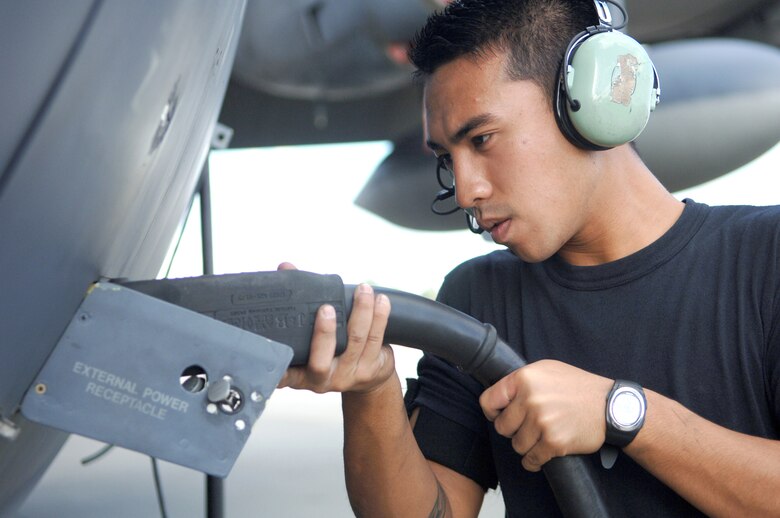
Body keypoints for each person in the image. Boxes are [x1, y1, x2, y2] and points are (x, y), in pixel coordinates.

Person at [279, 0, 780, 516]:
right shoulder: (477, 300)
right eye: (449, 159)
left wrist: (623, 413)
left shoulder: (767, 258)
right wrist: (371, 389)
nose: (467, 189)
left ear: (592, 99)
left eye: (482, 139)